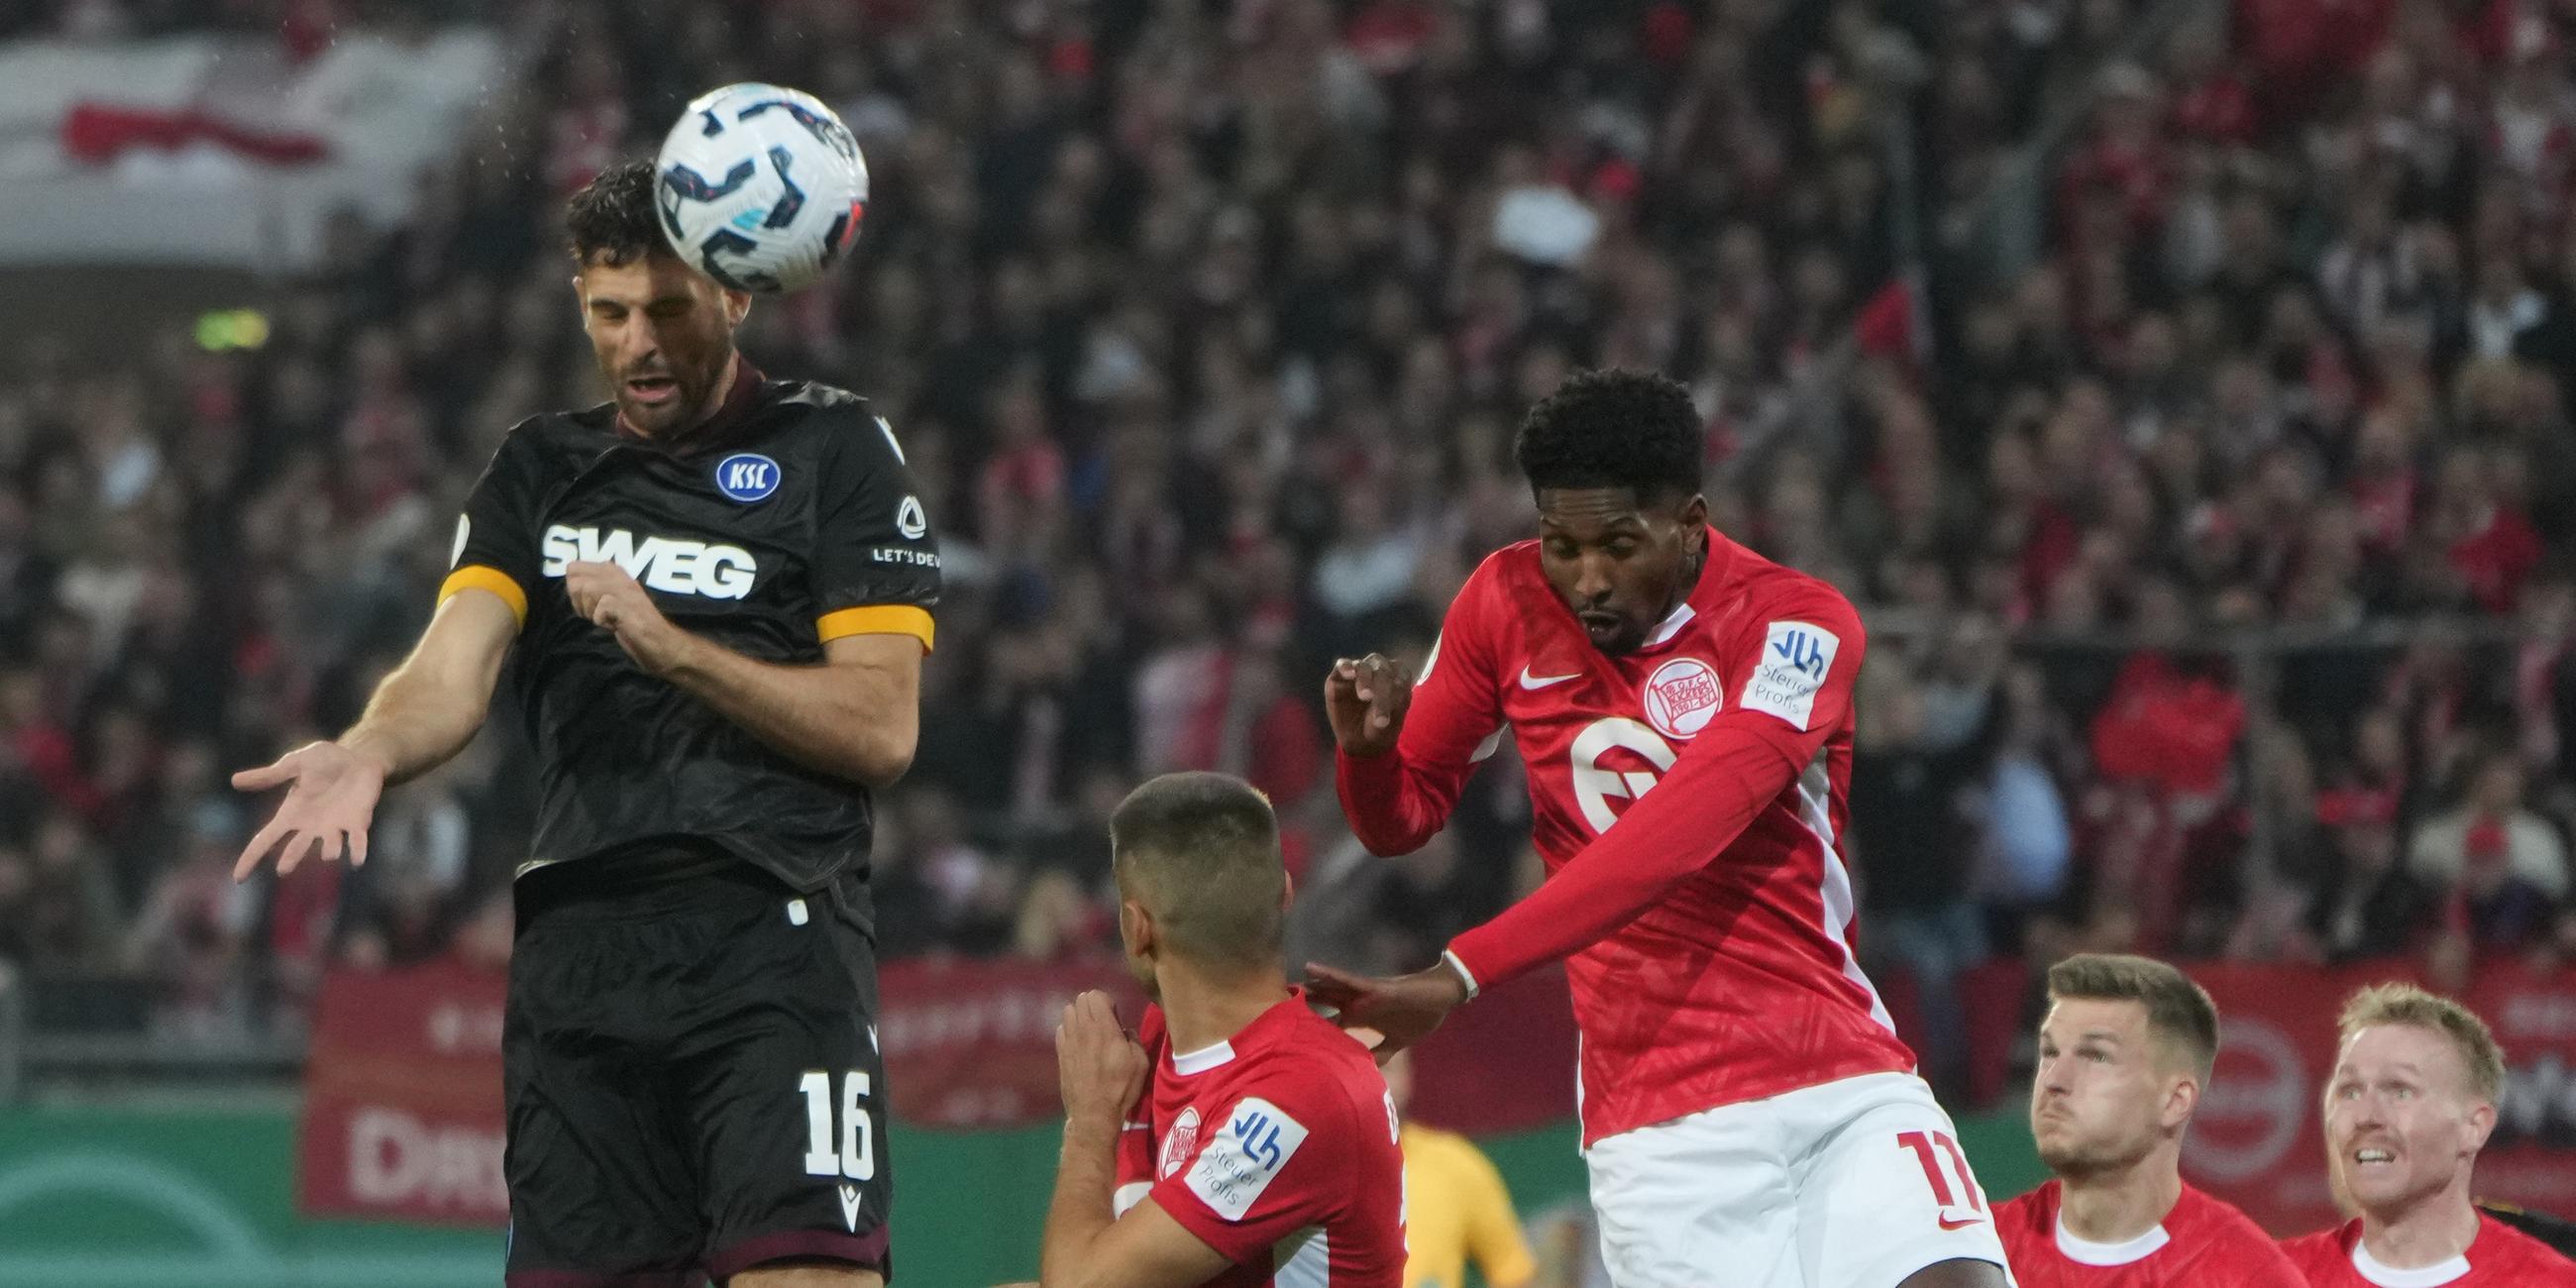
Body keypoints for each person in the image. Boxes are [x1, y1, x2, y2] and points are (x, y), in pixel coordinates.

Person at [230, 159, 938, 1288]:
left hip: (769, 934)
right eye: (608, 313)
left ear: (735, 293)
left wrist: (673, 649)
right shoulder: (538, 466)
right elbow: (449, 668)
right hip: (579, 954)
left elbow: (880, 725)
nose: (637, 343)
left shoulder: (835, 451)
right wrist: (368, 747)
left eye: (665, 309)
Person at [1310, 369, 2010, 1288]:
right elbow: (1400, 822)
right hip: (1660, 1126)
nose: (1586, 579)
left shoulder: (1797, 623)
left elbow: (1689, 826)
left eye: (1617, 545)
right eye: (1562, 544)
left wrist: (1460, 973)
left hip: (1840, 1073)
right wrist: (1364, 758)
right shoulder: (1503, 602)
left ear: (1690, 521)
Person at [1038, 771, 1406, 1287]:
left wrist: (1089, 1121)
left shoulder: (1303, 1094)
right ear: (1285, 893)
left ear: (1135, 928)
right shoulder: (1156, 1042)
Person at [1991, 954, 2304, 1285]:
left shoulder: (2247, 1276)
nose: (2054, 1079)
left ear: (2174, 1102)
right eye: (2049, 1052)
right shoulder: (1981, 1251)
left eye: (2096, 1056)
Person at [2280, 983, 2576, 1286]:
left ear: (2474, 1127)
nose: (2366, 1116)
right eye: (2350, 1091)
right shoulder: (2268, 1277)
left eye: (2400, 1091)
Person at [1383, 1047, 1538, 1288]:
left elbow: (1513, 1274)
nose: (1371, 1079)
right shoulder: (1311, 1166)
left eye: (1384, 1066)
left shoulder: (1454, 1164)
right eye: (1360, 1066)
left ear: (1407, 1077)